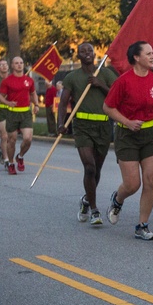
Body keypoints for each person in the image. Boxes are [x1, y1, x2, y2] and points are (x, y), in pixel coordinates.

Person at [103, 41, 153, 241]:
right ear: (136, 57)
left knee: (151, 180)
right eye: (148, 54)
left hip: (151, 135)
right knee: (132, 184)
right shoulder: (123, 81)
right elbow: (108, 107)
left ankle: (142, 225)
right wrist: (127, 122)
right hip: (127, 134)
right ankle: (118, 199)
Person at [59, 43, 118, 225]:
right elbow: (63, 102)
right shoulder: (72, 77)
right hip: (82, 126)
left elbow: (118, 95)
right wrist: (61, 123)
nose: (87, 54)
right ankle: (94, 210)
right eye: (83, 51)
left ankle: (86, 200)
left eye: (89, 51)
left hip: (103, 125)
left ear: (94, 54)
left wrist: (100, 85)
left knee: (97, 170)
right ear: (78, 56)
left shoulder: (106, 74)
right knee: (89, 167)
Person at [0, 56, 38, 175]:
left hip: (25, 112)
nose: (19, 65)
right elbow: (0, 96)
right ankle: (11, 163)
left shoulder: (29, 80)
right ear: (12, 65)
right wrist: (8, 103)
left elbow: (33, 93)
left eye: (21, 63)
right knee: (12, 140)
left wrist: (36, 104)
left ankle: (20, 156)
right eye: (16, 63)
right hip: (12, 113)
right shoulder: (7, 81)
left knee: (28, 138)